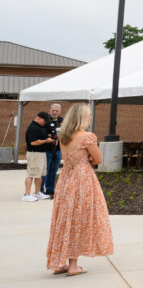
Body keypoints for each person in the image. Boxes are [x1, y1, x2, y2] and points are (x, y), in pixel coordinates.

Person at [45, 103, 113, 275]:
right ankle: (73, 266)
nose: (90, 117)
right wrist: (89, 156)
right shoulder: (87, 136)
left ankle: (60, 262)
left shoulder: (64, 136)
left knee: (64, 219)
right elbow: (98, 159)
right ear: (81, 117)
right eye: (89, 114)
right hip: (82, 179)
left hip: (66, 179)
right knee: (78, 219)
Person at [23, 112, 54, 201]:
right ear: (38, 118)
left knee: (39, 175)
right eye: (44, 121)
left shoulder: (41, 127)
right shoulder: (33, 128)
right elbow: (33, 142)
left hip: (41, 153)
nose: (45, 123)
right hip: (34, 154)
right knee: (31, 174)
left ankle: (37, 193)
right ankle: (26, 194)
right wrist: (46, 141)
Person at [42, 103, 63, 198]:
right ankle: (41, 191)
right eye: (53, 110)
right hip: (47, 150)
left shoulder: (62, 121)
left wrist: (59, 137)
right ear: (50, 110)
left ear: (59, 112)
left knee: (54, 171)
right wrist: (50, 136)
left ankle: (50, 190)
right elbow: (43, 134)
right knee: (45, 171)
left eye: (56, 111)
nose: (54, 112)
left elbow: (65, 133)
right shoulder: (45, 121)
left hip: (58, 150)